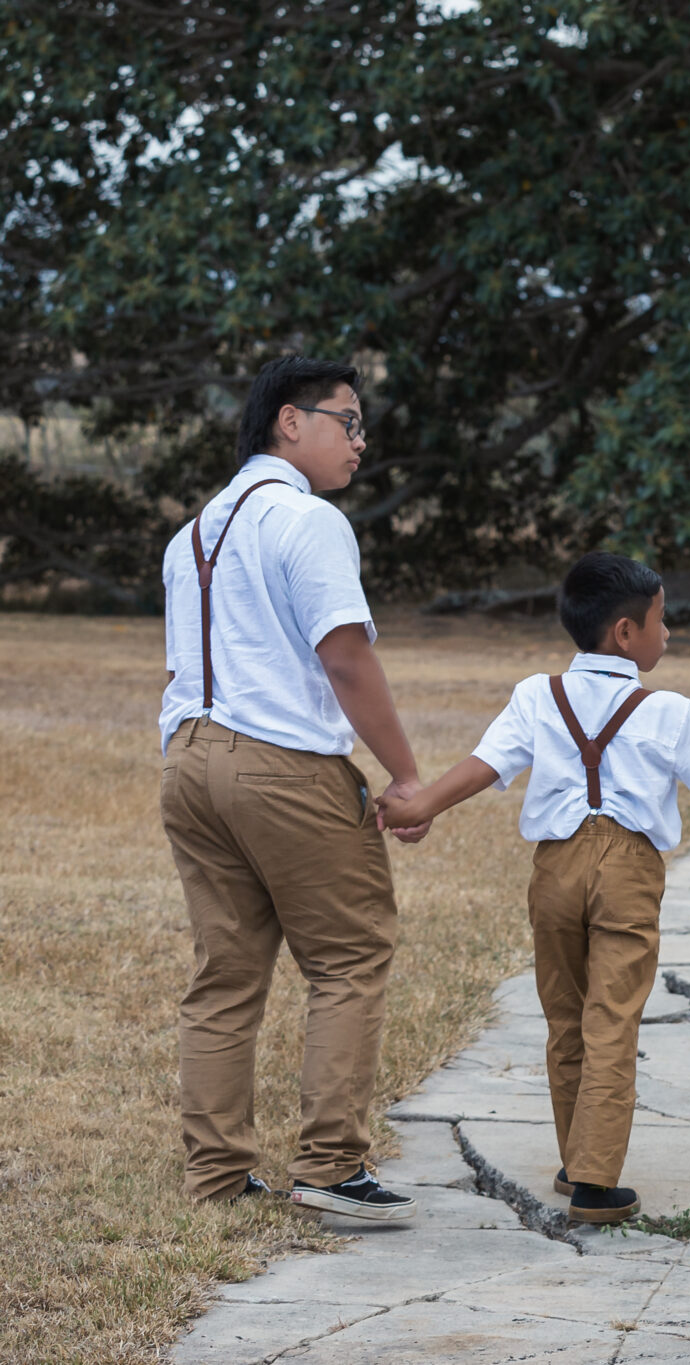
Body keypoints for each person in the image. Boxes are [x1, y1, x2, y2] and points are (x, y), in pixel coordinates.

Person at [376, 553, 690, 1224]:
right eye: (660, 619)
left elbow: (486, 764)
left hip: (555, 870)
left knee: (565, 1014)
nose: (667, 632)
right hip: (628, 871)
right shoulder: (669, 710)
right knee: (612, 1017)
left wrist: (423, 805)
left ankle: (577, 1157)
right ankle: (595, 1179)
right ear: (625, 632)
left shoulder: (537, 695)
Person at [160, 355, 428, 1220]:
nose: (361, 440)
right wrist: (406, 773)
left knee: (226, 973)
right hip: (280, 763)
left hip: (188, 761)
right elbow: (344, 657)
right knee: (350, 955)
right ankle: (330, 1164)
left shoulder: (193, 532)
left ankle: (217, 1176)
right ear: (289, 420)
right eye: (348, 421)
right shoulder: (307, 519)